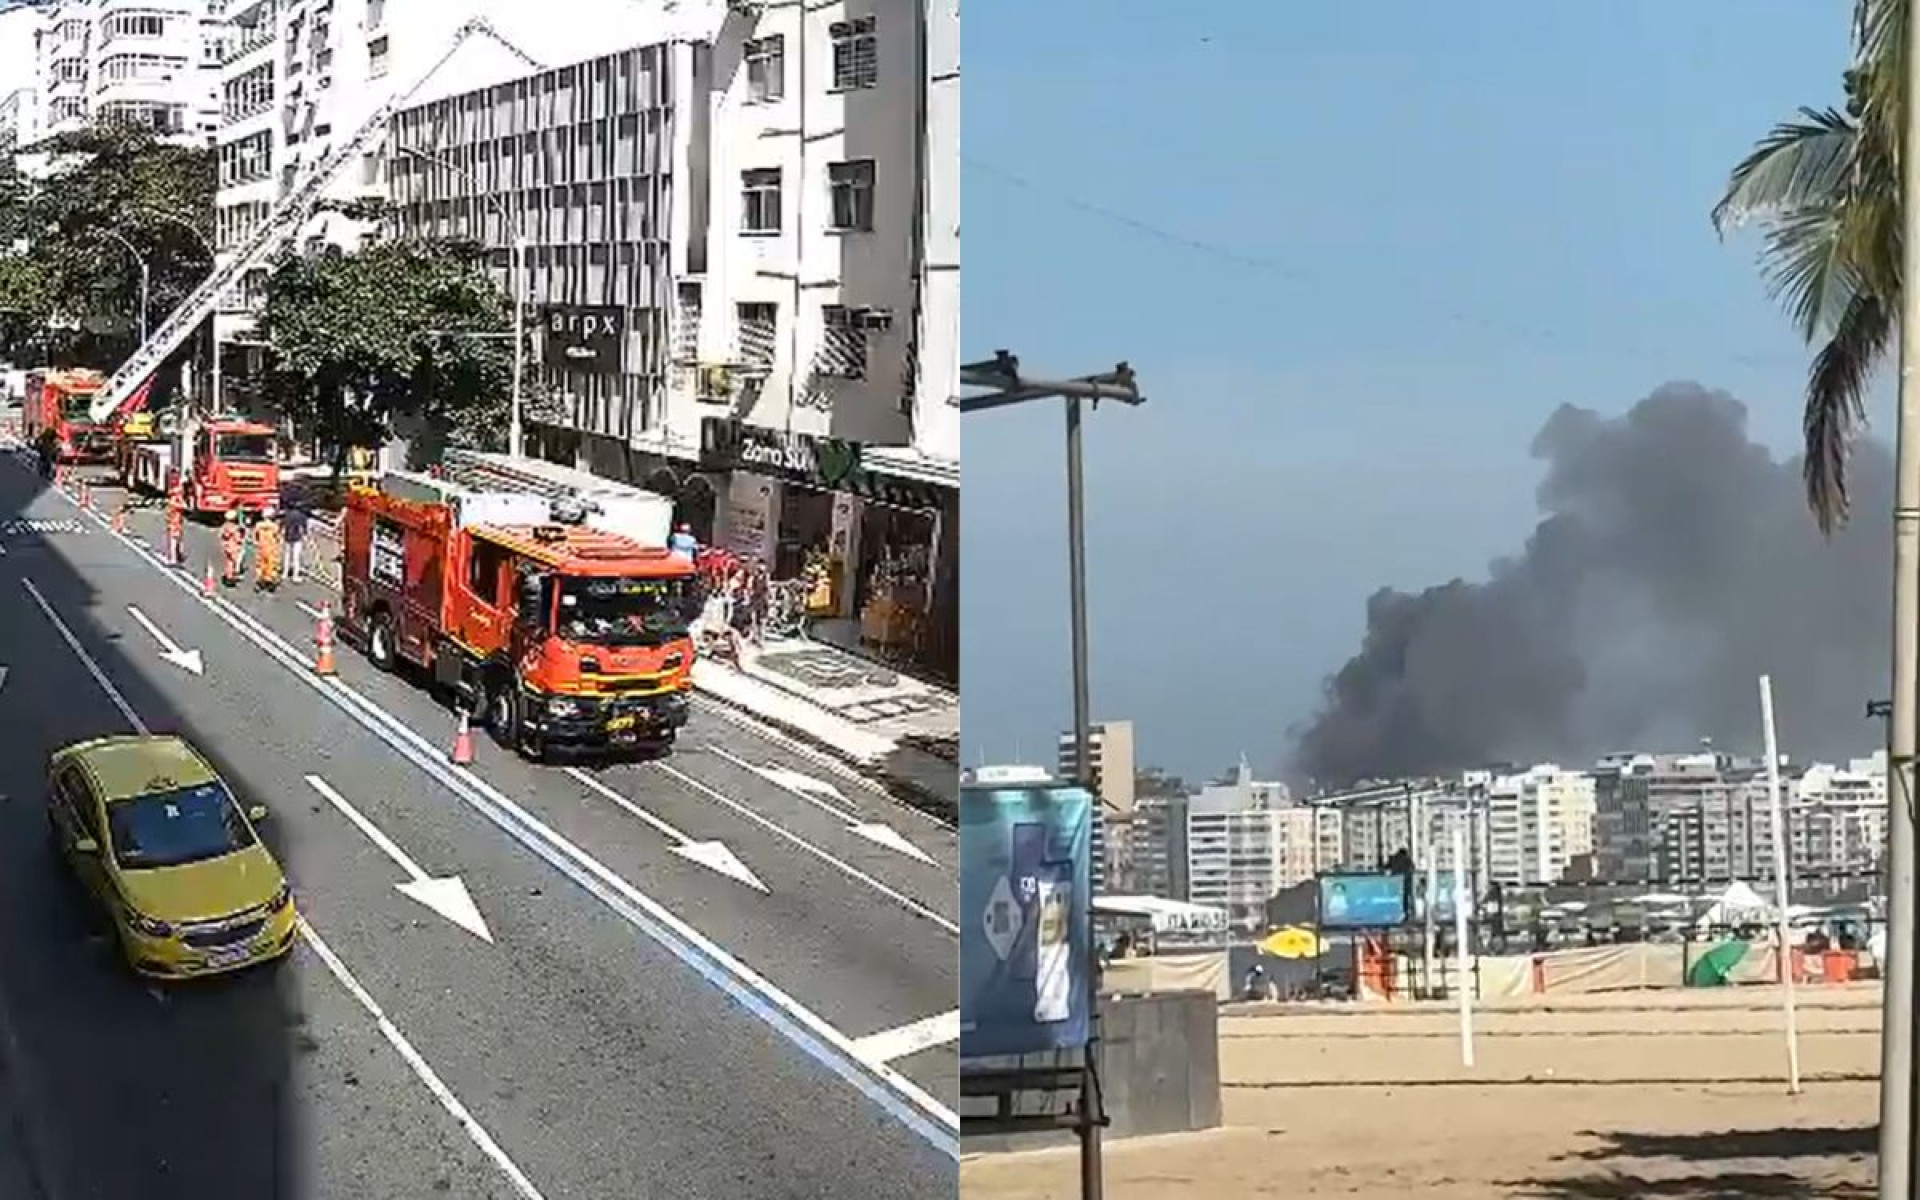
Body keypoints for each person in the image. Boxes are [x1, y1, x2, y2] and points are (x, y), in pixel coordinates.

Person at [254, 507, 284, 591]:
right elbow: (277, 537)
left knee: (261, 564)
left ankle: (260, 581)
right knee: (271, 564)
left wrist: (257, 543)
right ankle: (270, 581)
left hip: (261, 547)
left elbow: (255, 536)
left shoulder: (258, 525)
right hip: (271, 548)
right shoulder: (274, 526)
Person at [282, 501, 309, 582]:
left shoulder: (287, 515)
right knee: (296, 557)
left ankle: (285, 573)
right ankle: (295, 575)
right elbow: (304, 527)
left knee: (287, 555)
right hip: (297, 537)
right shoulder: (302, 516)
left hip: (287, 537)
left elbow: (283, 525)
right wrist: (305, 535)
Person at [219, 511, 245, 587]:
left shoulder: (224, 527)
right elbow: (238, 539)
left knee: (229, 562)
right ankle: (231, 577)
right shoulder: (235, 528)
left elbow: (221, 535)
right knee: (234, 562)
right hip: (233, 547)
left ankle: (228, 575)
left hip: (226, 546)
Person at [165, 484, 186, 566]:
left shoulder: (173, 503)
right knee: (175, 541)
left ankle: (175, 557)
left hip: (175, 524)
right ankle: (176, 557)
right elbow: (183, 506)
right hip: (174, 524)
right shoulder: (174, 503)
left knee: (175, 541)